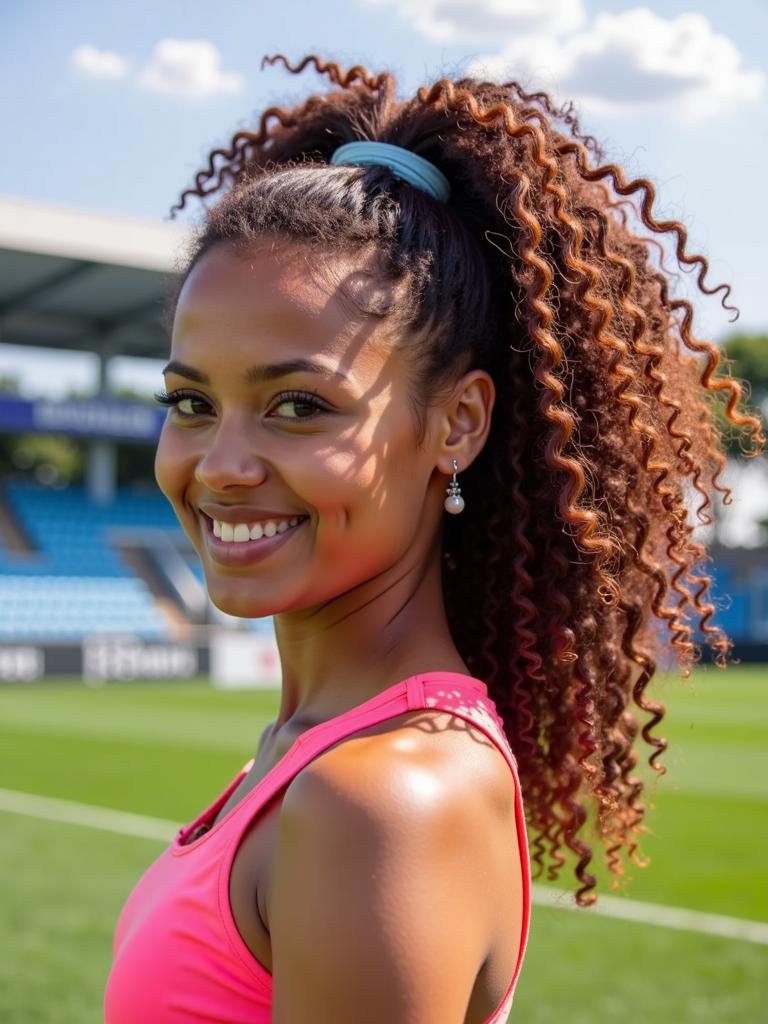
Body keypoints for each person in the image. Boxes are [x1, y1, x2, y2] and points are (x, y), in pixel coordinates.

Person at [103, 54, 764, 1023]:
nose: (223, 463)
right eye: (192, 402)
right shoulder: (320, 758)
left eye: (298, 405)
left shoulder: (380, 801)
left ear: (456, 424)